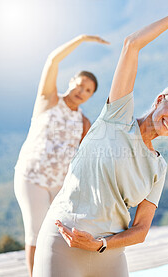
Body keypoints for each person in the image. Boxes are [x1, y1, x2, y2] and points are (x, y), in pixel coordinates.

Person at [32, 10, 168, 277]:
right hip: (64, 240)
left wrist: (101, 245)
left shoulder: (158, 167)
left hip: (108, 253)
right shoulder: (117, 117)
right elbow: (132, 44)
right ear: (159, 100)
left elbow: (141, 229)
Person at [14, 34, 109, 276]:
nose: (82, 91)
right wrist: (82, 39)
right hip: (31, 178)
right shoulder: (48, 100)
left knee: (56, 232)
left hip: (60, 185)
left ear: (90, 96)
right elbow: (52, 60)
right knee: (35, 232)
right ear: (71, 82)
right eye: (79, 84)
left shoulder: (84, 122)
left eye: (88, 90)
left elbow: (89, 157)